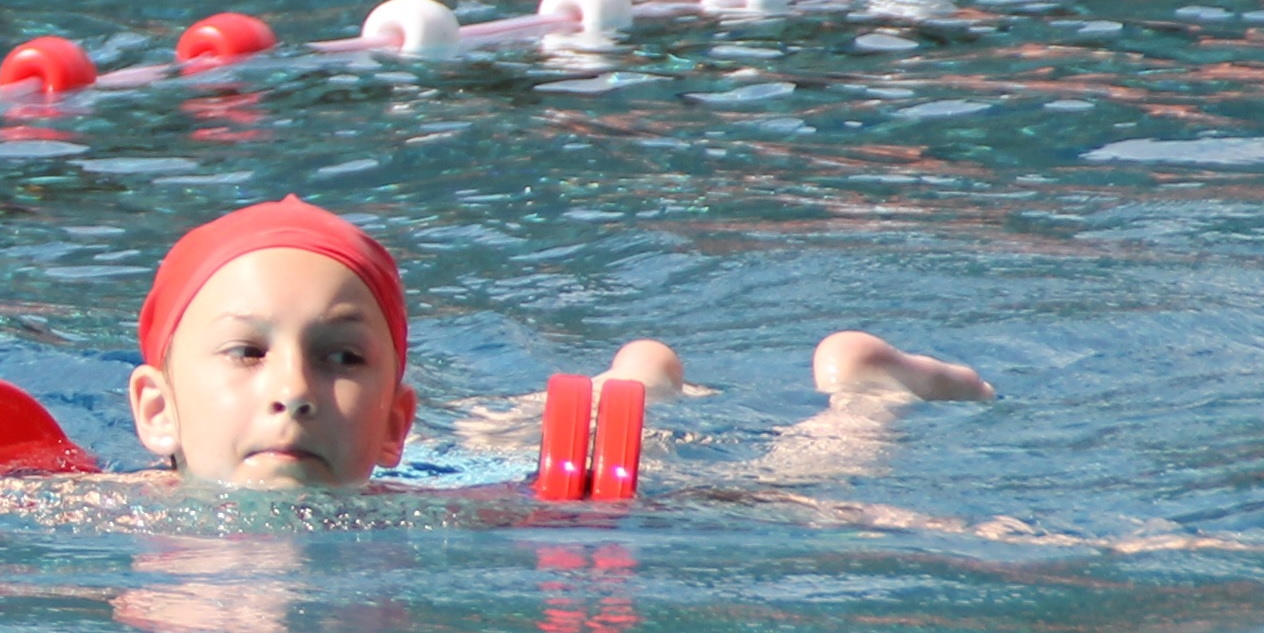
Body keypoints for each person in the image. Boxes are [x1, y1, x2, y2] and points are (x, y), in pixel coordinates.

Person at [123, 197, 991, 490]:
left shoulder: (415, 508)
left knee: (785, 477)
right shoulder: (79, 509)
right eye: (246, 352)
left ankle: (872, 391)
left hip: (472, 472)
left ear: (392, 422)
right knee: (519, 442)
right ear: (156, 412)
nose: (295, 389)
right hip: (471, 460)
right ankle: (633, 383)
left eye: (342, 357)